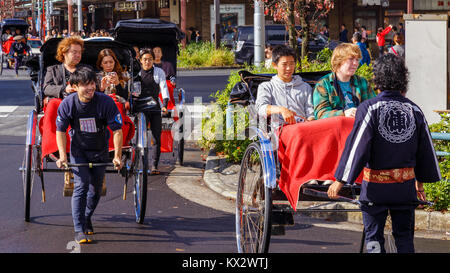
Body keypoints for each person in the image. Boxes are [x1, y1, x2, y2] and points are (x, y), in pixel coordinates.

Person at [328, 54, 441, 253]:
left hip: (375, 190)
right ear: (403, 80)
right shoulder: (415, 110)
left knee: (374, 240)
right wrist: (420, 184)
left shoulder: (369, 108)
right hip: (404, 189)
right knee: (405, 239)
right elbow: (425, 150)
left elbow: (358, 147)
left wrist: (341, 180)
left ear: (377, 80)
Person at [55, 67, 123, 244]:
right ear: (75, 86)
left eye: (92, 83)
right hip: (79, 150)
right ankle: (79, 229)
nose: (90, 88)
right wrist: (63, 156)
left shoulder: (106, 102)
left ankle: (86, 217)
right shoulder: (68, 104)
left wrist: (117, 156)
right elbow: (60, 131)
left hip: (100, 150)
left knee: (96, 190)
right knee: (81, 185)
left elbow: (117, 131)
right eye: (85, 85)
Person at [313, 43, 376, 120]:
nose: (356, 63)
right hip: (336, 129)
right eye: (351, 59)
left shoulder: (362, 82)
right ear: (339, 61)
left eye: (357, 59)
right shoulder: (323, 85)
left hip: (360, 128)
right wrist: (344, 113)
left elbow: (373, 107)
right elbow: (321, 114)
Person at [255, 45, 315, 125]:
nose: (288, 68)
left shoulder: (305, 87)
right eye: (284, 64)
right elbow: (261, 109)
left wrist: (309, 122)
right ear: (275, 65)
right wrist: (282, 110)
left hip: (303, 128)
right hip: (280, 130)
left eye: (291, 64)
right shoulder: (266, 87)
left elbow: (311, 113)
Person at [134, 48, 170, 175]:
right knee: (141, 137)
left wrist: (165, 104)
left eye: (150, 59)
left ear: (153, 60)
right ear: (140, 60)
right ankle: (141, 164)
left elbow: (164, 88)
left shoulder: (158, 72)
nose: (147, 62)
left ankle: (154, 165)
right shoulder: (136, 72)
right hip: (140, 107)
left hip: (155, 107)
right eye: (145, 59)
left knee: (156, 137)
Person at [96, 48, 135, 148]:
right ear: (101, 64)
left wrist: (118, 83)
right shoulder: (96, 77)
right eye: (105, 63)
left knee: (116, 105)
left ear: (115, 62)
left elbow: (126, 97)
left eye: (111, 62)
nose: (109, 65)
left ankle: (116, 144)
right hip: (100, 107)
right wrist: (101, 88)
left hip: (118, 106)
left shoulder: (124, 75)